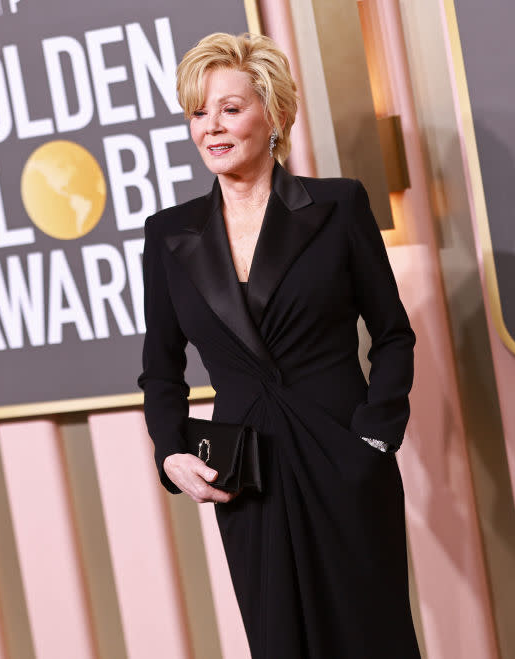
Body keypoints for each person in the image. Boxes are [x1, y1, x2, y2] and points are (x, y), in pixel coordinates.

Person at [138, 32, 420, 658]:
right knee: (280, 641)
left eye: (229, 109)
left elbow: (394, 334)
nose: (211, 127)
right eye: (197, 112)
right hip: (248, 473)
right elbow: (160, 372)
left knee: (372, 638)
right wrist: (171, 453)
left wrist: (375, 436)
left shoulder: (338, 206)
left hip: (343, 452)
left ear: (274, 114)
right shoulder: (168, 235)